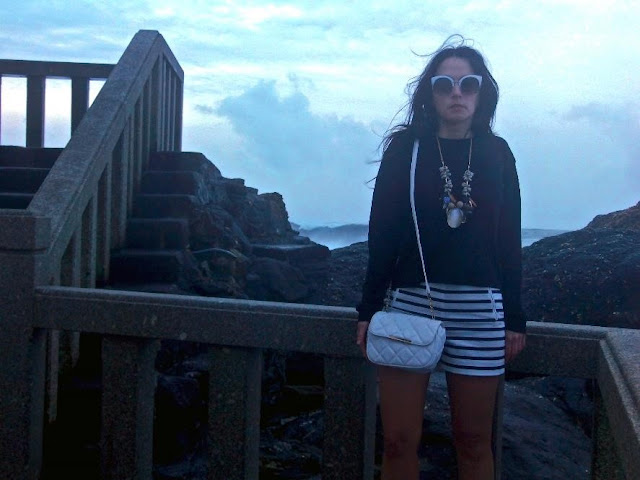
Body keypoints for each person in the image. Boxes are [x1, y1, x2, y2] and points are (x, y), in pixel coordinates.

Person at [356, 36, 527, 480]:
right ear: (429, 94)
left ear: (482, 93)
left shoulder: (497, 153)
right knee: (398, 441)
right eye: (444, 84)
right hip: (412, 302)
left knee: (473, 441)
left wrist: (515, 317)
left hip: (481, 312)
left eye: (468, 84)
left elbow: (509, 239)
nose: (457, 93)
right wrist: (368, 308)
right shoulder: (405, 149)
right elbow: (383, 231)